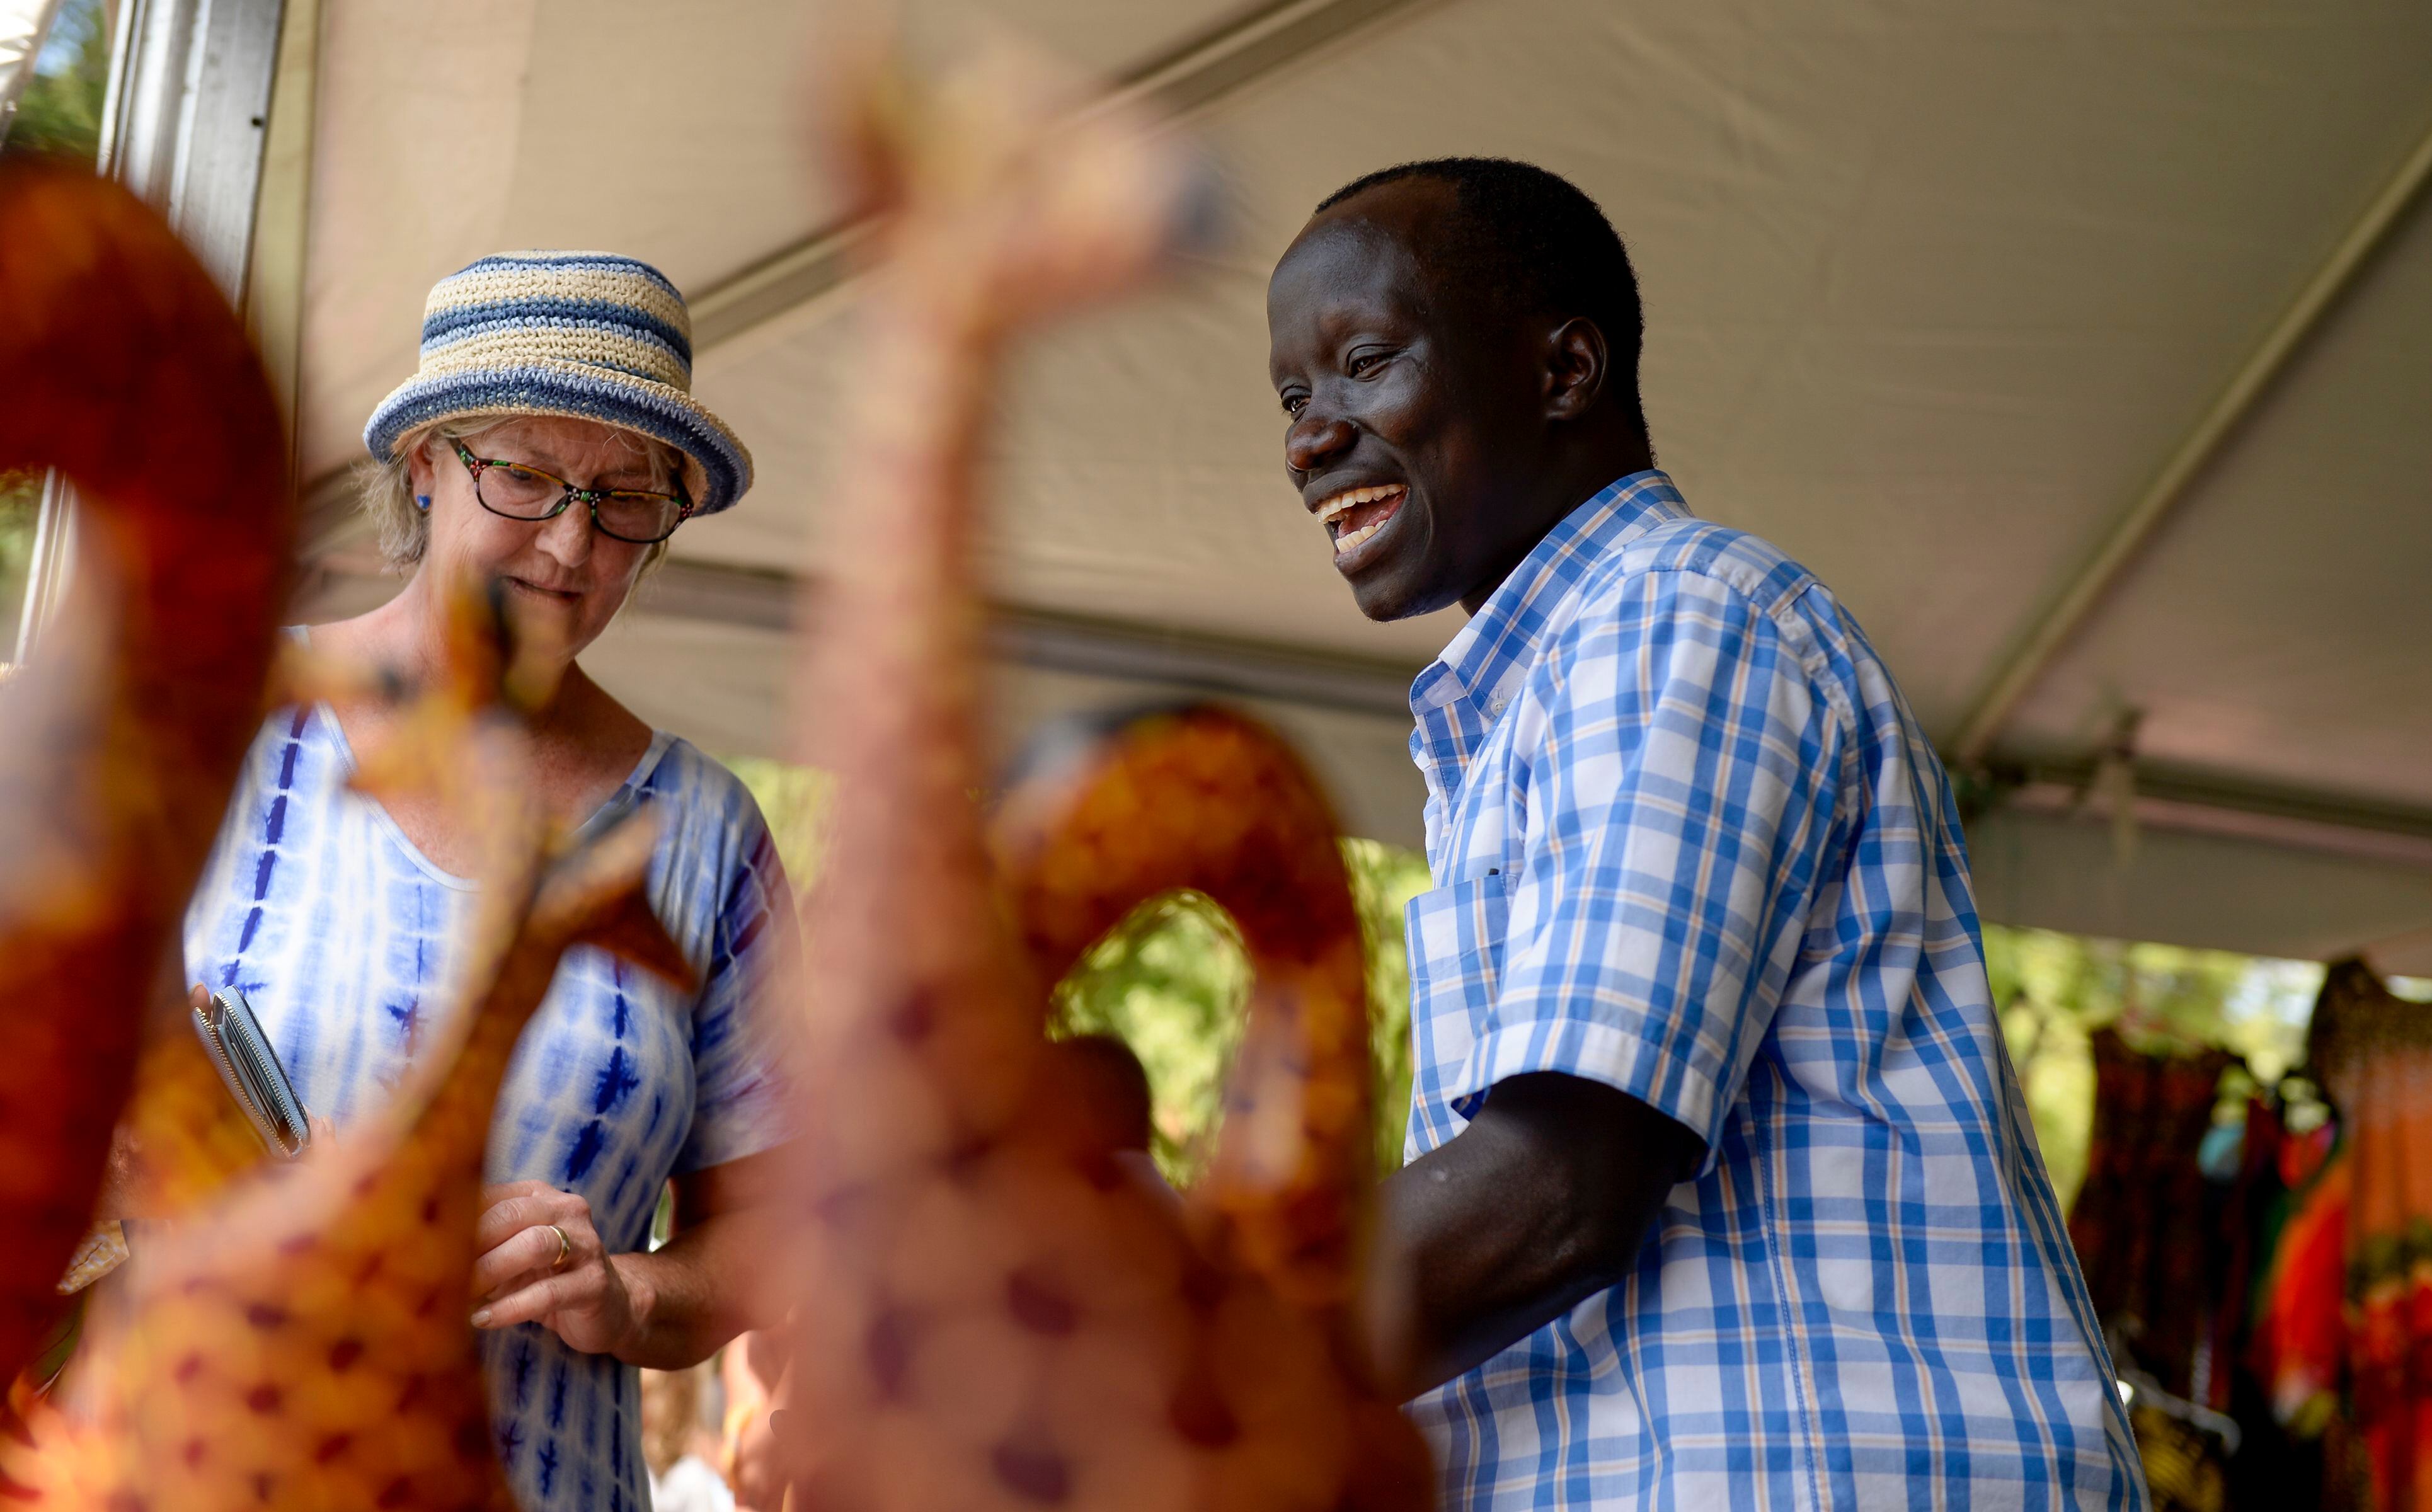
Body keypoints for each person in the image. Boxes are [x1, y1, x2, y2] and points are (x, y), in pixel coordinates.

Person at [1266, 159, 2148, 1509]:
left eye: (1364, 364)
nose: (1310, 437)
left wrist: (1174, 1338)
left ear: (1564, 371)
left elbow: (1556, 1193)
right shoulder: (1531, 705)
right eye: (1292, 396)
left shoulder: (1675, 621)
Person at [182, 251, 793, 1512]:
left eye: (629, 500)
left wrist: (627, 1296)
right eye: (525, 475)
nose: (572, 545)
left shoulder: (708, 838)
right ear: (423, 461)